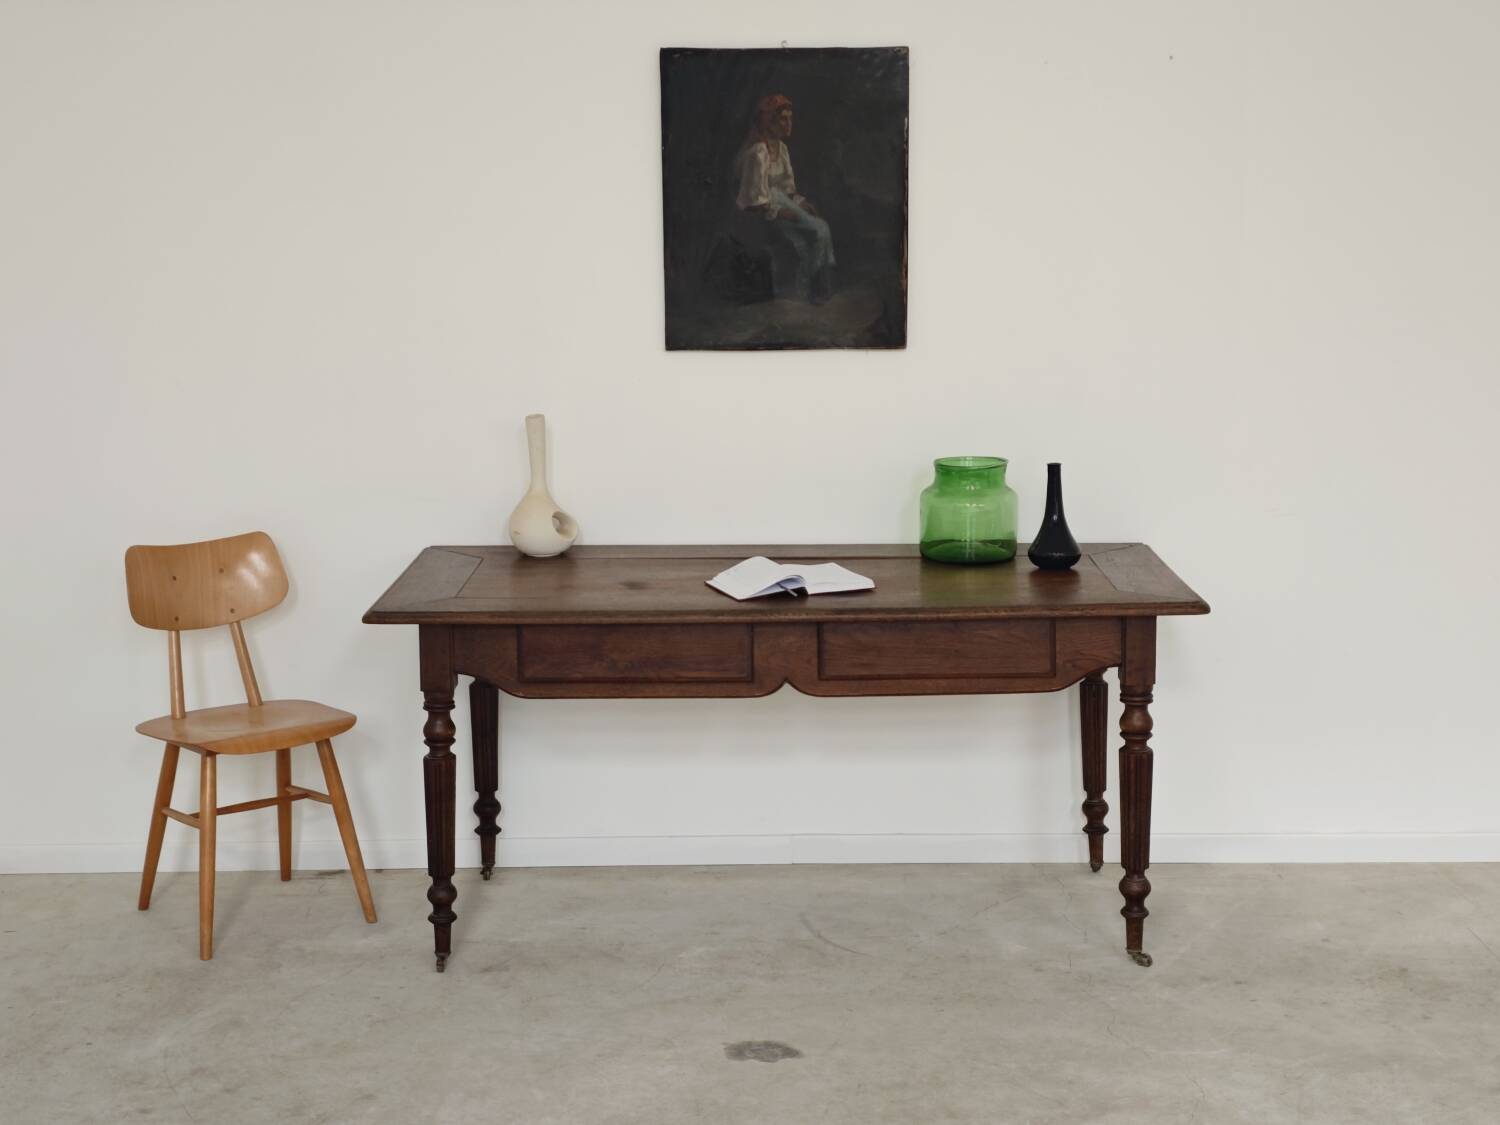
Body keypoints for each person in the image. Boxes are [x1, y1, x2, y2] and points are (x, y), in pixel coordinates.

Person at [731, 94, 835, 303]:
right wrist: (783, 212)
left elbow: (786, 189)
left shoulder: (782, 149)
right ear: (769, 122)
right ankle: (806, 290)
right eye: (783, 119)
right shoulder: (757, 153)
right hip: (761, 214)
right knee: (815, 232)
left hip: (780, 204)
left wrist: (800, 203)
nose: (789, 124)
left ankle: (817, 287)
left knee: (822, 227)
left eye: (790, 119)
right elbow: (754, 202)